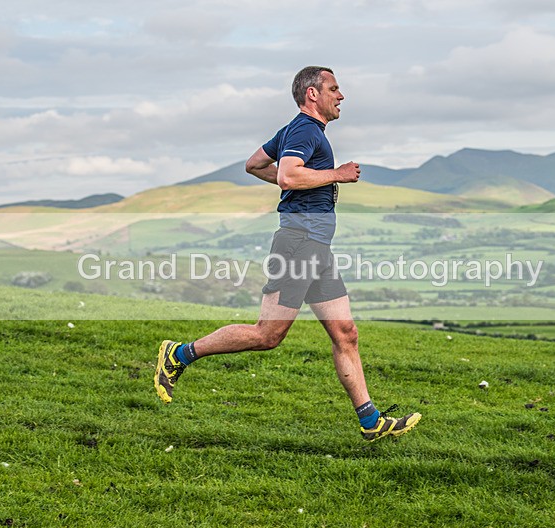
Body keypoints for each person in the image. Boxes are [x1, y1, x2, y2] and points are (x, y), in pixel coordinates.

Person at [154, 66, 421, 441]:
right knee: (268, 334)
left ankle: (370, 421)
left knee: (346, 333)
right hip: (298, 244)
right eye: (334, 88)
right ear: (313, 93)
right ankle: (179, 355)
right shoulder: (305, 130)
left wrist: (293, 182)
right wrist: (337, 174)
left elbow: (254, 165)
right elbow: (288, 175)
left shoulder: (296, 130)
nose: (341, 96)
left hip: (316, 248)